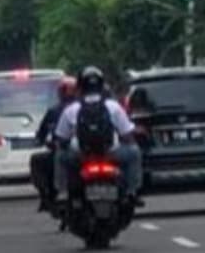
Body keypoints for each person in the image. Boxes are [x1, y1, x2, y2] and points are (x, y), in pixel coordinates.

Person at [53, 67, 143, 208]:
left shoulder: (71, 109)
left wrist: (62, 145)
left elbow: (61, 139)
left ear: (80, 86)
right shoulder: (113, 106)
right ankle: (132, 191)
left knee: (60, 156)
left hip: (81, 155)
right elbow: (127, 135)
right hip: (110, 153)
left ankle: (63, 192)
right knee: (134, 152)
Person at [32, 77, 77, 212]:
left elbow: (42, 134)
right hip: (78, 151)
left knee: (38, 161)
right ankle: (48, 195)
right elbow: (43, 133)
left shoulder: (56, 111)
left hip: (69, 152)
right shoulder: (57, 111)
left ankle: (47, 196)